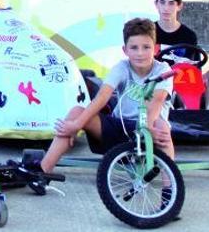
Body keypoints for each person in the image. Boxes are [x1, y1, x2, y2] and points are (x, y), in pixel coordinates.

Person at [38, 18, 175, 176]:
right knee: (76, 112)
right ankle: (42, 171)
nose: (140, 53)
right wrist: (76, 125)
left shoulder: (163, 70)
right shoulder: (122, 67)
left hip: (148, 130)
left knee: (162, 126)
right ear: (125, 50)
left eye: (146, 47)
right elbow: (102, 97)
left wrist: (147, 129)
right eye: (134, 48)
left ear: (155, 49)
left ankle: (169, 188)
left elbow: (155, 103)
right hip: (121, 129)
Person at [155, 0, 209, 108]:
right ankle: (174, 101)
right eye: (162, 2)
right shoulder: (149, 31)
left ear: (179, 6)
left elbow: (195, 65)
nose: (166, 8)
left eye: (171, 3)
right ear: (156, 4)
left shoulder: (189, 35)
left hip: (185, 78)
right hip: (160, 78)